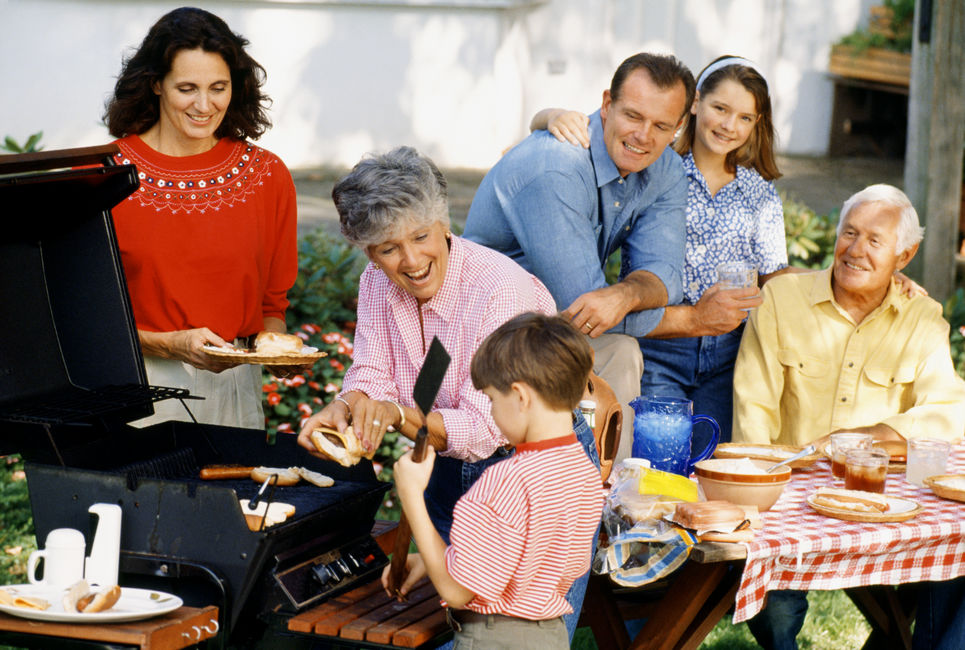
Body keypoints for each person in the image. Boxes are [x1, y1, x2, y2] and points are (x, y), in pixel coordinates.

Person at [296, 147, 599, 642]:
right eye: (389, 248)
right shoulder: (376, 280)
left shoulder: (499, 287)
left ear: (443, 222)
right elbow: (371, 369)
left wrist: (395, 416)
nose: (411, 261)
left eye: (420, 236)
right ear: (368, 251)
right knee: (454, 623)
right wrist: (346, 406)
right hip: (443, 462)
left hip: (525, 459)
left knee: (519, 628)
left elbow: (483, 431)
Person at [731, 184, 965, 649]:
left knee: (958, 562)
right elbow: (752, 414)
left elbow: (951, 411)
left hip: (884, 501)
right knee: (777, 610)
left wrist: (871, 435)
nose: (855, 250)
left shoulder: (922, 317)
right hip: (791, 498)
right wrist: (762, 492)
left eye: (875, 241)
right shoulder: (782, 299)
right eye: (849, 234)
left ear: (905, 256)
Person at [533, 56, 783, 443]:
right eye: (720, 108)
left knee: (709, 460)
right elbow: (600, 130)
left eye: (745, 118)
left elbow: (774, 275)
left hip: (729, 351)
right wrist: (548, 116)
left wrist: (850, 279)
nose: (730, 125)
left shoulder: (760, 192)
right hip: (660, 344)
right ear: (695, 105)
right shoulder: (653, 165)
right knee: (655, 460)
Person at [464, 52, 695, 461]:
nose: (644, 135)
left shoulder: (667, 170)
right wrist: (691, 321)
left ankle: (610, 504)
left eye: (661, 126)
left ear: (679, 126)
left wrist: (625, 295)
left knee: (623, 350)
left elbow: (664, 277)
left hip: (545, 330)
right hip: (484, 338)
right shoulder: (557, 167)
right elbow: (583, 310)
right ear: (606, 105)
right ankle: (581, 500)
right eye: (633, 116)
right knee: (618, 348)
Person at [103, 7, 300, 428]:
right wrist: (172, 345)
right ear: (155, 84)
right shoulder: (104, 178)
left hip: (236, 389)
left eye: (218, 87)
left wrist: (274, 346)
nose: (204, 105)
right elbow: (79, 318)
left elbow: (272, 302)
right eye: (187, 88)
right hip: (135, 388)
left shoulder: (268, 175)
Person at [384, 312, 605, 649]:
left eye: (491, 399)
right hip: (551, 637)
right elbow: (519, 558)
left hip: (494, 639)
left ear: (521, 396)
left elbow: (457, 591)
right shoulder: (584, 470)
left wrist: (412, 496)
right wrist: (435, 561)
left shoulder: (505, 481)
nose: (491, 412)